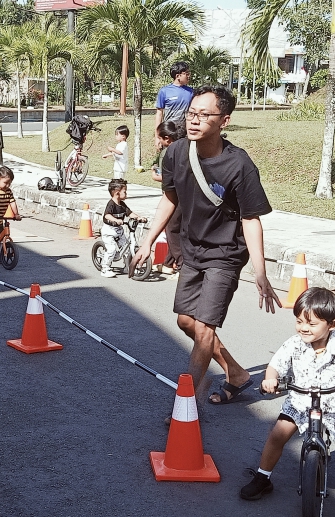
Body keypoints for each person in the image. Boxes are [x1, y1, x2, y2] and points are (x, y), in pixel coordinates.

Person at [133, 85, 281, 411]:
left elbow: (251, 220)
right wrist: (147, 241)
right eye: (191, 113)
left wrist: (260, 272)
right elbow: (169, 199)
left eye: (204, 115)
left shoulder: (239, 166)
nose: (194, 121)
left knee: (204, 329)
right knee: (186, 322)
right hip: (193, 248)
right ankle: (237, 373)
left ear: (224, 120)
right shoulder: (174, 153)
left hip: (225, 253)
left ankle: (185, 405)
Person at [240, 288, 335, 500]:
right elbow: (276, 365)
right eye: (299, 321)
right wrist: (270, 378)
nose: (303, 328)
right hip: (300, 402)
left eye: (311, 324)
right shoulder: (294, 343)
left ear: (332, 324)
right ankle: (262, 477)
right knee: (277, 435)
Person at [151, 120, 186, 276]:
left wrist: (156, 175)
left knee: (172, 228)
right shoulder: (185, 147)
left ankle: (182, 264)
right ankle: (168, 263)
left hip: (175, 196)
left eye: (159, 137)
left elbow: (169, 178)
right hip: (185, 196)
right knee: (178, 228)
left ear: (167, 139)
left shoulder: (171, 152)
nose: (158, 141)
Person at [100, 179, 147, 278]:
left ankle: (127, 266)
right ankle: (105, 268)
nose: (126, 194)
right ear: (117, 193)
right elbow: (107, 215)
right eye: (125, 192)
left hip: (118, 230)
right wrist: (115, 220)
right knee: (111, 249)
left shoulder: (122, 204)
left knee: (126, 248)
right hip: (109, 230)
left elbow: (130, 213)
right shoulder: (111, 204)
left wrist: (139, 217)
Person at [154, 61, 193, 149]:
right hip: (169, 132)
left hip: (184, 133)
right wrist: (157, 137)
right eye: (186, 74)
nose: (188, 76)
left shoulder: (191, 92)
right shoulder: (164, 91)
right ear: (178, 76)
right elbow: (159, 114)